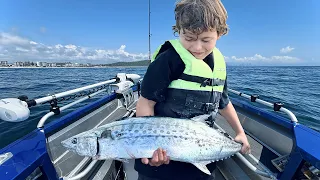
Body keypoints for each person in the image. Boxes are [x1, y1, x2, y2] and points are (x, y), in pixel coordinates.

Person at [134, 0, 251, 179]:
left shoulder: (218, 64)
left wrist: (240, 132)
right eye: (188, 38)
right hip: (162, 163)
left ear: (219, 34)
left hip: (202, 156)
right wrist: (148, 149)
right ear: (178, 31)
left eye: (206, 40)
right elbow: (145, 103)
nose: (197, 47)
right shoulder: (167, 59)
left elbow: (223, 102)